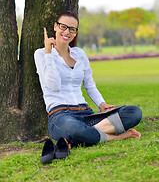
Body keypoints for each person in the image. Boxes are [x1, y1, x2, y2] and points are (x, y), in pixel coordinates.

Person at [34, 11, 142, 147]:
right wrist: (48, 53)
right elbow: (54, 85)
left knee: (134, 112)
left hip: (86, 114)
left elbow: (89, 84)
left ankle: (81, 137)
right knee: (73, 128)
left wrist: (101, 104)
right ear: (55, 26)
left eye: (72, 29)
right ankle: (116, 137)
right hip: (61, 116)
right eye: (63, 27)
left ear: (75, 32)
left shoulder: (79, 54)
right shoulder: (41, 54)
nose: (67, 32)